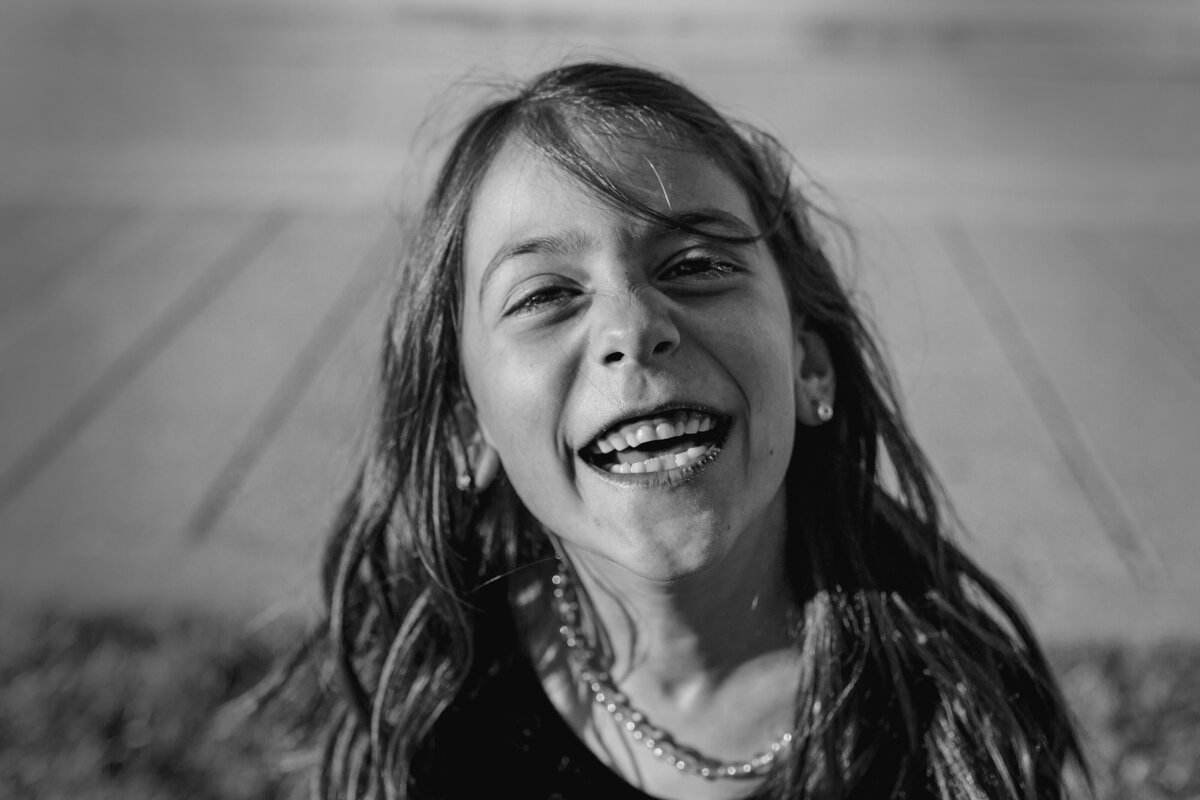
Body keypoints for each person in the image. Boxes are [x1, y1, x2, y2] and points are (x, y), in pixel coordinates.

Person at [312, 61, 1086, 799]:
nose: (634, 325)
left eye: (693, 264)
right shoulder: (445, 702)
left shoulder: (951, 713)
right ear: (465, 430)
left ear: (811, 369)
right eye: (545, 295)